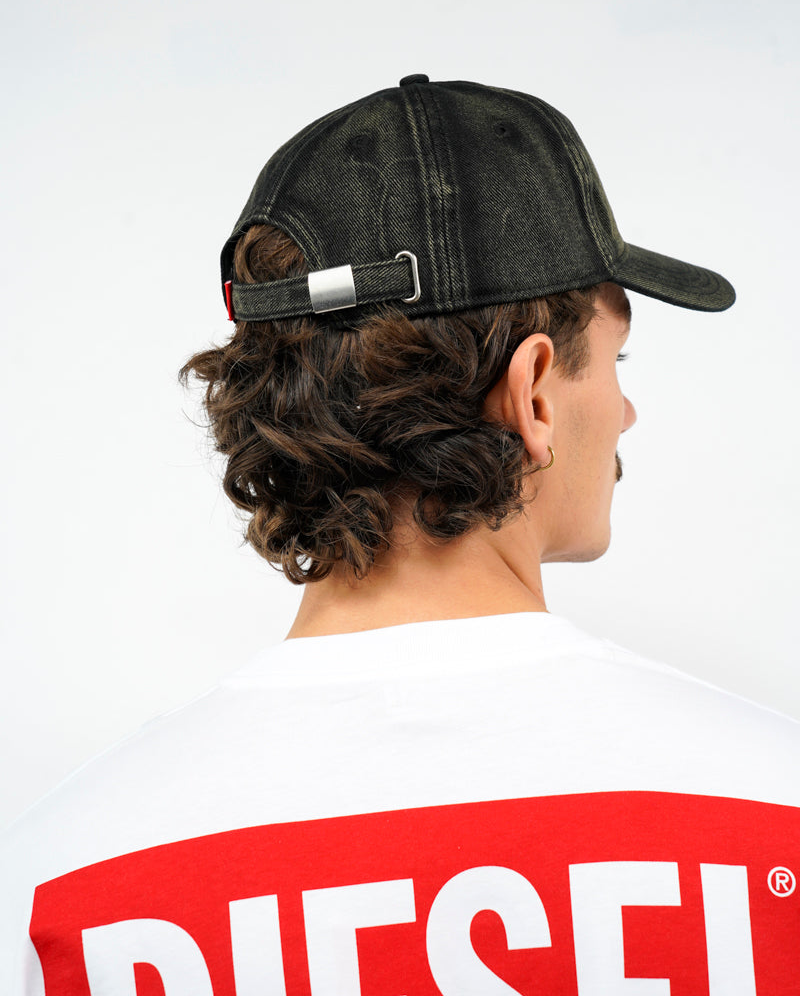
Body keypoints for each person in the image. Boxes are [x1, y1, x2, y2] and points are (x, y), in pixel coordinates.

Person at [2, 75, 799, 994]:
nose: (626, 410)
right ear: (534, 393)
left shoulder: (59, 878)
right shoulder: (771, 813)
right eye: (617, 358)